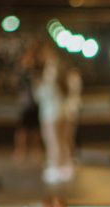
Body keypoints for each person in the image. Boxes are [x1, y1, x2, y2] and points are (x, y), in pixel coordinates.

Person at [35, 49, 81, 183]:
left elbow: (44, 94)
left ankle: (58, 166)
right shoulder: (65, 76)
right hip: (60, 112)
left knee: (55, 142)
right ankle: (63, 166)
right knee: (62, 141)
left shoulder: (53, 76)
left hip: (52, 113)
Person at [13, 46, 43, 164]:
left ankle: (36, 149)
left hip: (35, 103)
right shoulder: (21, 73)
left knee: (35, 129)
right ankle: (20, 150)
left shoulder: (36, 71)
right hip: (25, 104)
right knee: (22, 129)